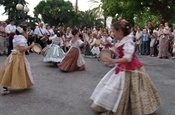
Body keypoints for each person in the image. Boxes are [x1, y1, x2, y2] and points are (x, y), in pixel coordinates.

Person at [90, 19, 161, 115]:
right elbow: (119, 50)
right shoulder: (122, 40)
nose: (112, 33)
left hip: (130, 68)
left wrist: (113, 60)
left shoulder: (128, 42)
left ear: (120, 31)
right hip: (122, 67)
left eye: (113, 31)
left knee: (129, 90)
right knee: (114, 87)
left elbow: (127, 58)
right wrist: (111, 51)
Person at [0, 26, 35, 95]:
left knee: (11, 70)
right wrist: (30, 46)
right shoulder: (21, 39)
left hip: (15, 55)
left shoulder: (17, 37)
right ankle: (5, 87)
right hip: (18, 57)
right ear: (23, 32)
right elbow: (21, 49)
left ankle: (24, 83)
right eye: (27, 31)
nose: (27, 33)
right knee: (14, 71)